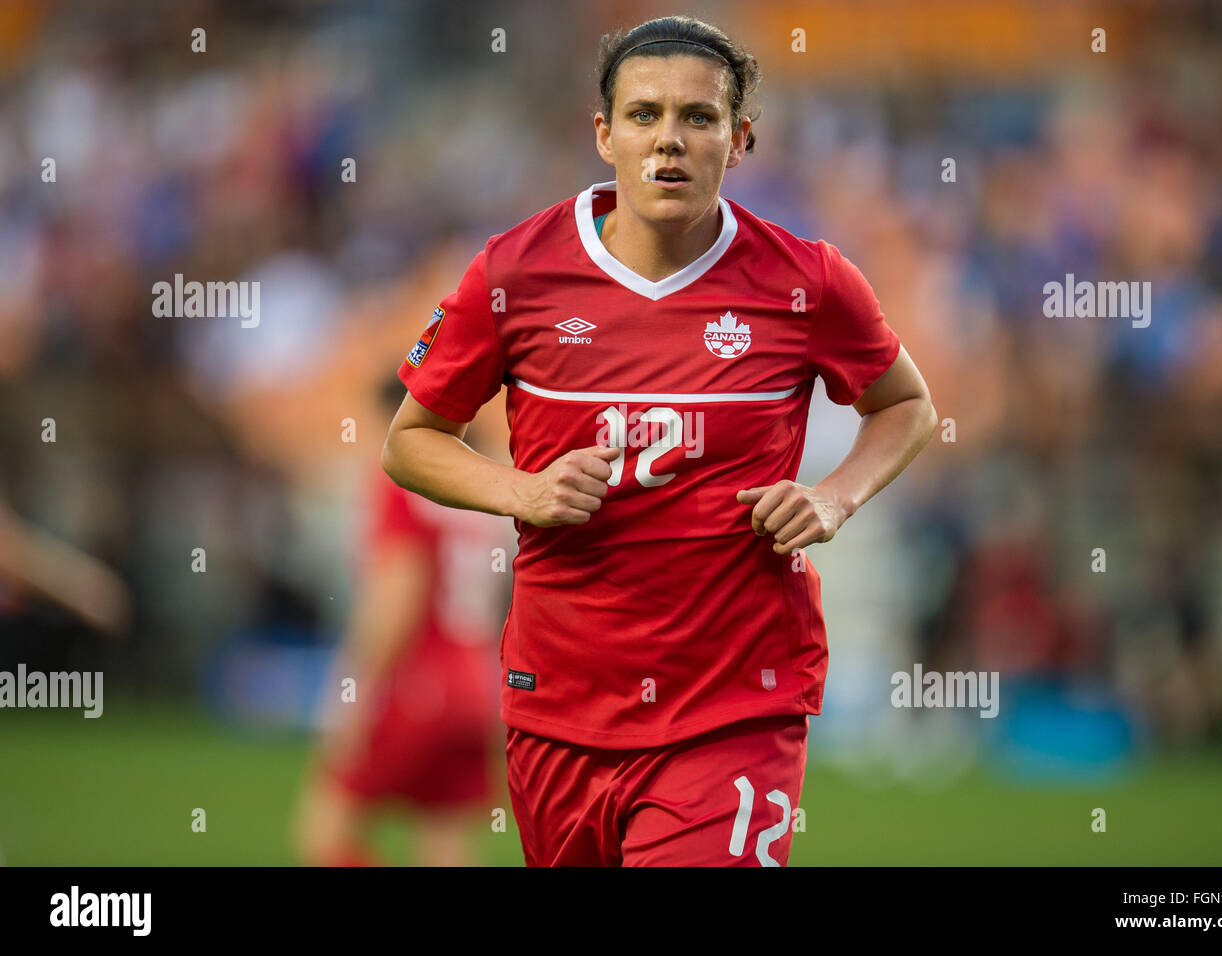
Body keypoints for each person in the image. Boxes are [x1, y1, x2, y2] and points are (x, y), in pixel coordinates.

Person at [382, 15, 936, 866]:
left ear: (740, 138)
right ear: (603, 134)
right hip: (561, 701)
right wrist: (520, 490)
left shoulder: (807, 280)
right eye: (643, 116)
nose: (668, 141)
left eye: (697, 118)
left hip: (735, 704)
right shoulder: (512, 274)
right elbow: (412, 439)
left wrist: (833, 496)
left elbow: (906, 405)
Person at [294, 379, 513, 866]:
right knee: (445, 848)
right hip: (475, 687)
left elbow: (396, 602)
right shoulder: (481, 488)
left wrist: (353, 692)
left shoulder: (402, 484)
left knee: (324, 832)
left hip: (415, 681)